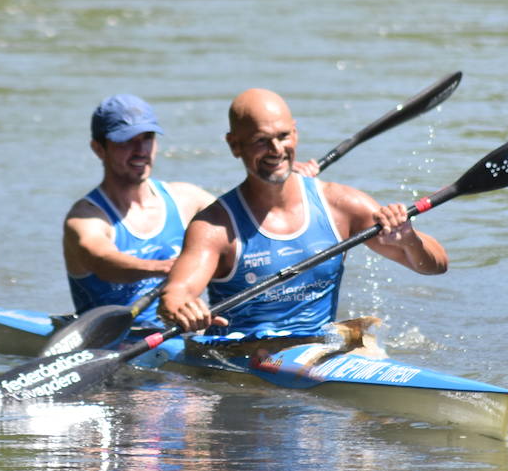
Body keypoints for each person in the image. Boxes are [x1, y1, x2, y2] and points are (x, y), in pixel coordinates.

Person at [159, 88, 447, 342]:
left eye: (283, 136)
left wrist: (409, 240)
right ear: (235, 145)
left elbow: (436, 265)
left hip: (320, 353)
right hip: (241, 359)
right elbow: (176, 292)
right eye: (261, 140)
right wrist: (182, 308)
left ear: (295, 133)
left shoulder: (341, 205)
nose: (276, 150)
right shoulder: (216, 227)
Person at [63, 94, 214, 328]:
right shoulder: (86, 218)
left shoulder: (186, 199)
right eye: (127, 141)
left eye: (147, 138)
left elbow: (240, 219)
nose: (141, 150)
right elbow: (104, 261)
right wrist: (165, 267)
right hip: (109, 339)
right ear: (98, 149)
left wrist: (283, 185)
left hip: (176, 332)